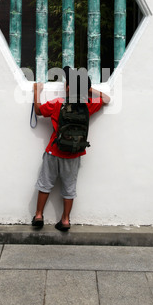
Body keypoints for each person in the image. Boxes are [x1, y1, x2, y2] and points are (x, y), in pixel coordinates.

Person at [32, 67, 110, 231]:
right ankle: (65, 220)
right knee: (69, 187)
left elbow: (38, 111)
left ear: (67, 88)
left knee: (45, 183)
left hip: (53, 151)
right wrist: (87, 89)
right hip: (74, 153)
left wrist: (36, 91)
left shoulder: (57, 103)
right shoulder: (88, 105)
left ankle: (39, 215)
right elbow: (107, 98)